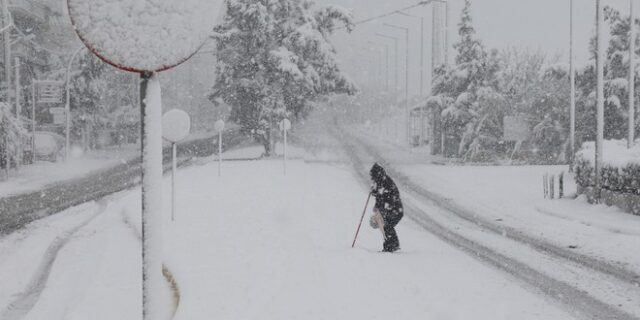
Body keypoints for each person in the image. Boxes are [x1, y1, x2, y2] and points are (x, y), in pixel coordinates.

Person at [369, 163, 403, 252]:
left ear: (377, 175)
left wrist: (384, 207)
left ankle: (392, 245)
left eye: (373, 177)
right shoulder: (381, 182)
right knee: (386, 226)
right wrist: (374, 192)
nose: (372, 179)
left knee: (387, 225)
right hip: (392, 210)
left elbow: (388, 198)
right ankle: (389, 246)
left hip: (395, 210)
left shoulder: (386, 183)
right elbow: (380, 197)